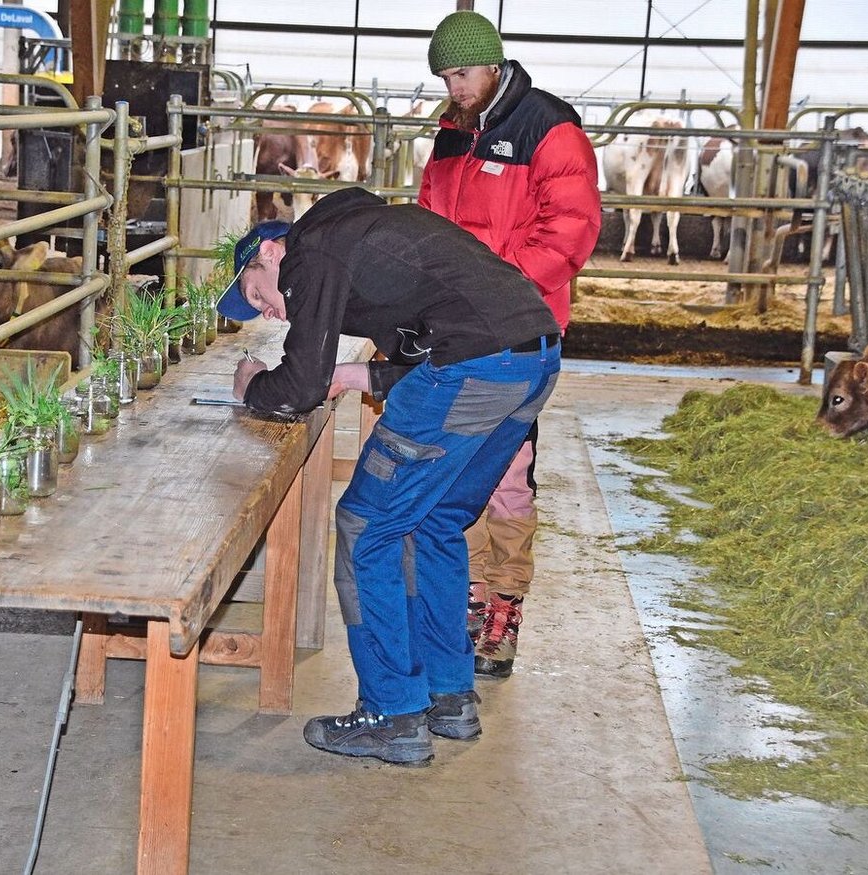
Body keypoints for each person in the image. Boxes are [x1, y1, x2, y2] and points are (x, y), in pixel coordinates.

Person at [218, 186, 561, 765]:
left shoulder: (314, 249)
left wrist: (251, 382)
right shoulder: (364, 237)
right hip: (535, 356)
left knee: (365, 525)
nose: (269, 312)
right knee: (434, 523)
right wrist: (363, 380)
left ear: (272, 253)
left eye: (259, 295)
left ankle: (391, 713)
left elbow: (299, 388)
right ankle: (448, 696)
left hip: (476, 366)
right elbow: (436, 331)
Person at [420, 11, 602, 679]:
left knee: (508, 478)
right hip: (455, 331)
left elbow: (571, 230)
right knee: (452, 467)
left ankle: (505, 605)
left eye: (461, 72)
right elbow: (429, 222)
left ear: (492, 63)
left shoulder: (547, 128)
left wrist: (500, 290)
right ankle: (465, 597)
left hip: (520, 332)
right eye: (443, 75)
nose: (454, 85)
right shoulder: (449, 135)